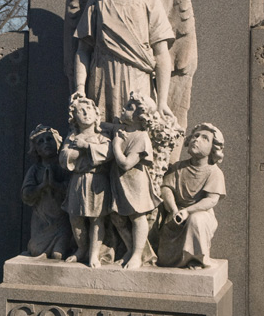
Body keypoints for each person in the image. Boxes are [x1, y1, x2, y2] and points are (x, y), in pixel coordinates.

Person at [73, 0, 176, 124]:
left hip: (137, 78)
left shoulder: (150, 3)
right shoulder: (97, 4)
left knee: (136, 133)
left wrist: (162, 101)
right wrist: (80, 87)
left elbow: (161, 55)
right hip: (102, 76)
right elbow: (82, 50)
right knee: (101, 136)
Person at [157, 123, 226, 268]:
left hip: (201, 214)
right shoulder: (178, 167)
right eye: (195, 136)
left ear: (213, 149)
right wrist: (174, 210)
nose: (197, 139)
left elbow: (212, 200)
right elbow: (166, 188)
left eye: (204, 138)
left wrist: (188, 211)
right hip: (176, 212)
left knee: (196, 220)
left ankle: (196, 260)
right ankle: (172, 260)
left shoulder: (214, 172)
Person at [59, 94, 112, 267]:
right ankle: (81, 248)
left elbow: (107, 153)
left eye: (88, 109)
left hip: (97, 180)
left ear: (97, 114)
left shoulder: (102, 136)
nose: (85, 113)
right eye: (80, 111)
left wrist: (87, 146)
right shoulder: (72, 137)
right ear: (74, 117)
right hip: (78, 180)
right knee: (75, 218)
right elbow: (64, 158)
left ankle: (94, 254)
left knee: (96, 219)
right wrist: (77, 150)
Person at [110, 92, 160, 269]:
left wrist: (116, 145)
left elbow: (125, 164)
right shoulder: (121, 130)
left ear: (140, 116)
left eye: (130, 107)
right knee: (117, 217)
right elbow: (101, 126)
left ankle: (138, 255)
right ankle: (131, 249)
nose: (124, 108)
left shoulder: (141, 137)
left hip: (135, 184)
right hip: (119, 183)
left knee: (137, 217)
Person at [21, 125, 72, 260]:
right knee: (37, 251)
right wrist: (42, 186)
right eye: (40, 142)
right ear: (36, 149)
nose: (46, 143)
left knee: (58, 254)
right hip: (41, 220)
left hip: (61, 220)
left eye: (49, 139)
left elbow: (72, 190)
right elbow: (26, 194)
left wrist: (55, 185)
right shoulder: (35, 170)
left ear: (57, 143)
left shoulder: (65, 167)